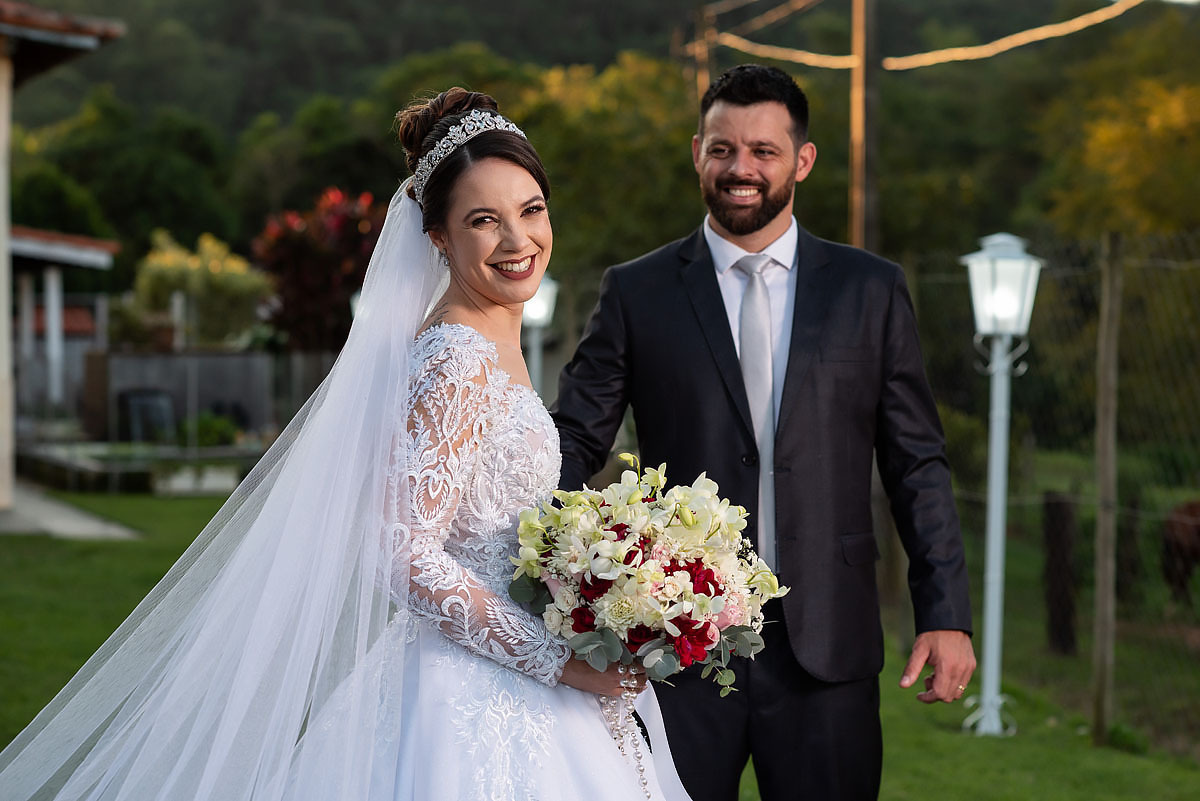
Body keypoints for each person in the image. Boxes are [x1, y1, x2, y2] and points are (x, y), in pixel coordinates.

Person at [0, 88, 691, 801]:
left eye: (531, 209)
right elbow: (403, 548)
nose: (518, 240)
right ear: (439, 238)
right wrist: (556, 658)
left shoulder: (493, 337)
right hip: (476, 696)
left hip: (517, 668)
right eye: (484, 220)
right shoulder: (457, 355)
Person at [551, 64, 977, 801]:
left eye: (763, 151)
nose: (740, 168)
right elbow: (572, 444)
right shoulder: (636, 291)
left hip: (829, 648)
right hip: (673, 651)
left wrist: (945, 613)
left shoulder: (869, 289)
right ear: (697, 153)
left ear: (801, 161)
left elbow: (917, 463)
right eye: (722, 149)